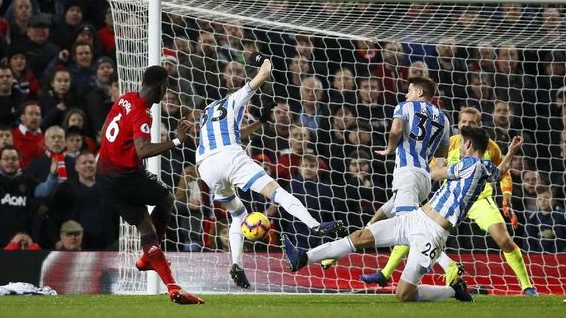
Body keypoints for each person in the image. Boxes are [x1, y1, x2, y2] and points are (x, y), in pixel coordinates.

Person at [284, 127, 523, 302]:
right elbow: (500, 173)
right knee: (361, 237)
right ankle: (302, 258)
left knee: (404, 295)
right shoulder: (485, 168)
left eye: (461, 142)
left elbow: (437, 173)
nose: (459, 146)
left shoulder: (470, 164)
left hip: (432, 234)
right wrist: (511, 152)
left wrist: (430, 157)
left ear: (469, 145)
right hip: (416, 218)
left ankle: (455, 290)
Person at [196, 53, 344, 290]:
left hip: (206, 166)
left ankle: (236, 264)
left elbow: (236, 133)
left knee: (237, 214)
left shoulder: (209, 112)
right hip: (230, 157)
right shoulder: (236, 99)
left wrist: (260, 123)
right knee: (278, 193)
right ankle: (314, 224)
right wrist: (260, 59)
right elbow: (263, 74)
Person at [96, 65, 203, 304]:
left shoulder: (124, 99)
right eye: (167, 88)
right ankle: (150, 259)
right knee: (166, 198)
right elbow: (142, 149)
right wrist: (176, 139)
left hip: (104, 177)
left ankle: (170, 284)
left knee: (146, 227)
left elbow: (104, 130)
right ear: (162, 87)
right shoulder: (142, 113)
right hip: (124, 177)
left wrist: (118, 154)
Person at [360, 76, 454, 286]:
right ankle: (344, 248)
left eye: (409, 90)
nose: (406, 94)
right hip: (424, 179)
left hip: (407, 174)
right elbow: (441, 156)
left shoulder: (404, 106)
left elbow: (396, 130)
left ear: (420, 92)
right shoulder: (444, 119)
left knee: (412, 231)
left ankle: (449, 266)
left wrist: (390, 148)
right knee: (385, 211)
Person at [437, 107, 537, 295]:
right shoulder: (449, 143)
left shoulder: (490, 146)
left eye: (471, 123)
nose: (466, 125)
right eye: (463, 122)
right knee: (419, 231)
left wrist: (506, 195)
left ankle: (527, 286)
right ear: (458, 124)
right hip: (450, 199)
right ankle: (386, 273)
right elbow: (435, 165)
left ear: (479, 125)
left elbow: (503, 172)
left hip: (480, 199)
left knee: (504, 239)